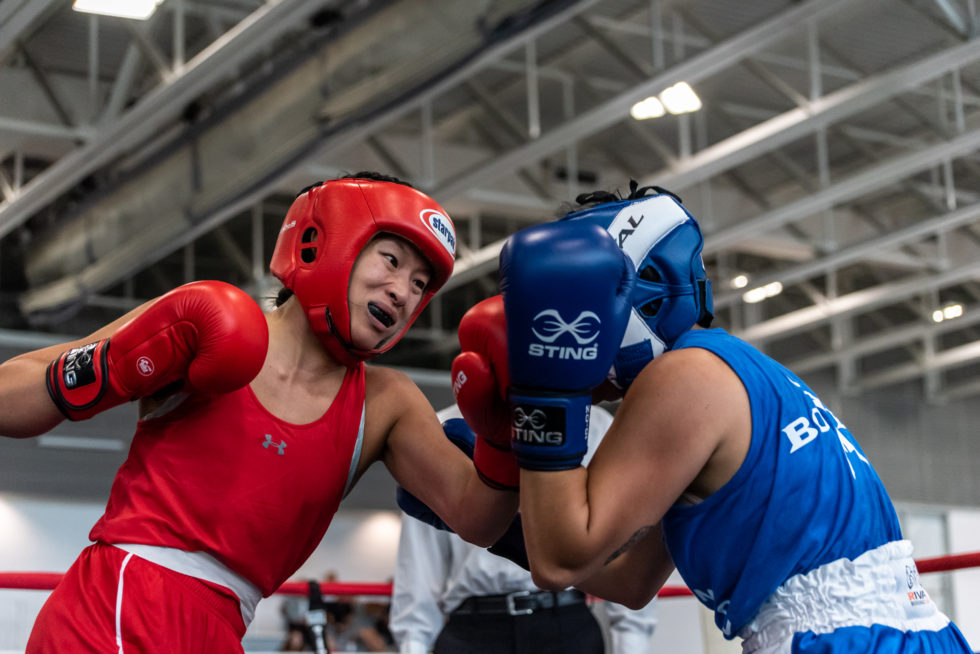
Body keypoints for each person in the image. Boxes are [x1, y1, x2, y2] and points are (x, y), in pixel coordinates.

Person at [0, 172, 518, 653]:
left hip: (224, 626)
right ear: (327, 241)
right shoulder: (206, 324)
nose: (403, 292)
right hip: (117, 602)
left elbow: (477, 517)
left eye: (421, 284)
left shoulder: (386, 402)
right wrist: (109, 367)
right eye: (391, 260)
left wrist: (506, 434)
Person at [452, 182, 973, 653]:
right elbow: (630, 580)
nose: (564, 328)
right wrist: (504, 528)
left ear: (639, 290)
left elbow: (561, 560)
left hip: (836, 642)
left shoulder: (683, 377)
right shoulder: (739, 370)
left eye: (571, 305)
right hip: (912, 634)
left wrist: (542, 399)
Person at [391, 403, 657, 654]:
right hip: (474, 629)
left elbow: (626, 558)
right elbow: (419, 562)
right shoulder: (437, 429)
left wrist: (632, 642)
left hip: (565, 621)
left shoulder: (595, 425)